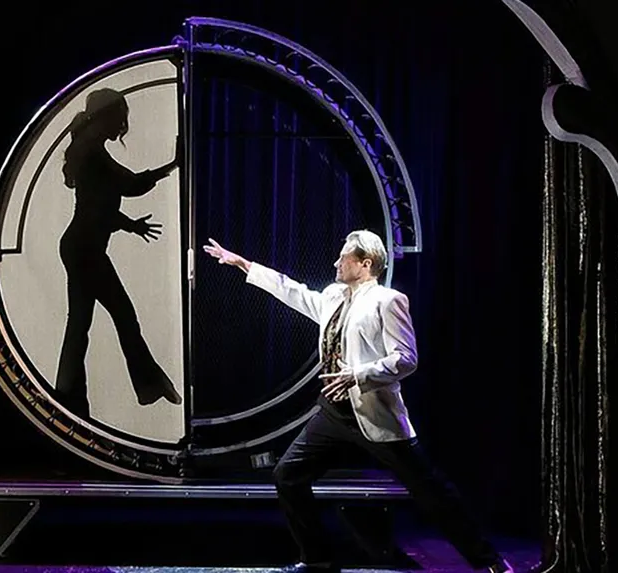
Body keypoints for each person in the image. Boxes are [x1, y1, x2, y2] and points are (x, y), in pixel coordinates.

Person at [203, 231, 513, 573]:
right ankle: (317, 559)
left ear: (365, 264)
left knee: (431, 492)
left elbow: (406, 358)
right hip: (334, 413)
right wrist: (243, 264)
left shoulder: (388, 301)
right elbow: (295, 293)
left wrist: (359, 374)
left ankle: (489, 562)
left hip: (374, 414)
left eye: (344, 257)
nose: (336, 263)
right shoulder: (335, 295)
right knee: (288, 474)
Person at [54, 87, 182, 418]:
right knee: (120, 316)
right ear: (107, 116)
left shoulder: (89, 150)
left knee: (81, 325)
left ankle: (69, 401)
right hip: (85, 249)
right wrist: (172, 166)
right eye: (120, 116)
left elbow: (99, 205)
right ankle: (147, 385)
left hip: (81, 246)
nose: (123, 124)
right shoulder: (92, 153)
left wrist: (129, 225)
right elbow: (129, 186)